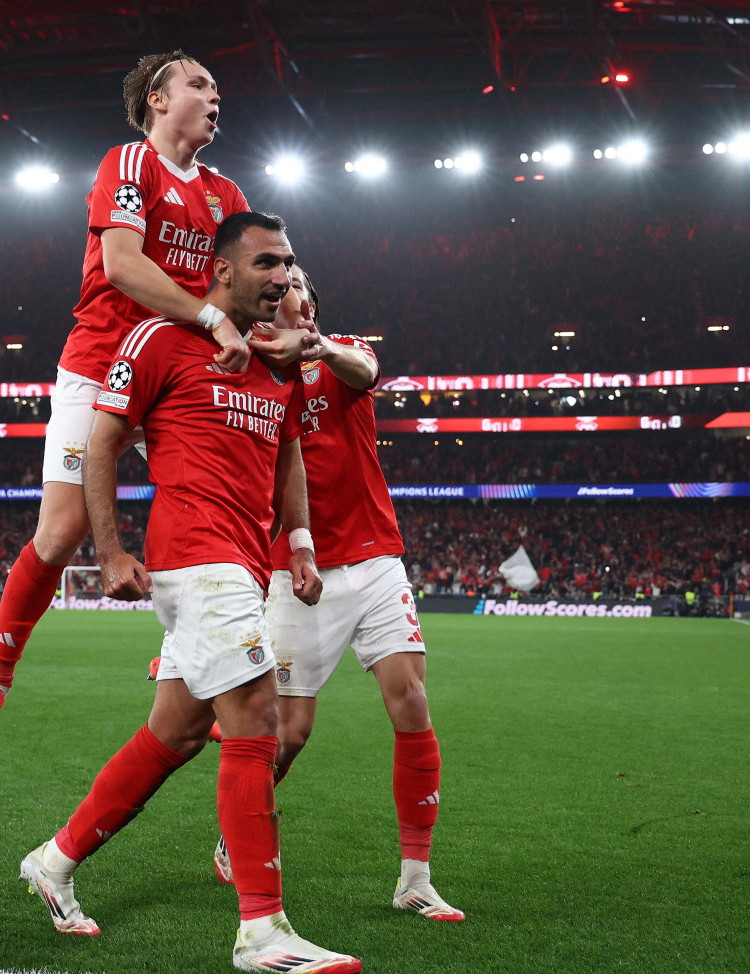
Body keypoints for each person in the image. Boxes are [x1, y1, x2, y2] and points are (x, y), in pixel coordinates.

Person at [18, 213, 361, 973]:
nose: (283, 276)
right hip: (194, 560)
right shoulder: (159, 339)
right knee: (256, 717)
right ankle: (262, 932)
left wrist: (300, 549)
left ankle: (56, 858)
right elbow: (102, 444)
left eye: (290, 263)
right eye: (268, 262)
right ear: (223, 272)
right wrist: (109, 551)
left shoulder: (277, 360)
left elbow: (289, 458)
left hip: (244, 563)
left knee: (172, 735)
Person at [0, 49, 256, 759]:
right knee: (59, 537)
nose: (215, 97)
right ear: (156, 98)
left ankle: (189, 659)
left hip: (180, 378)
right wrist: (211, 319)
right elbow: (122, 264)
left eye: (217, 88)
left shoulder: (226, 193)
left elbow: (240, 281)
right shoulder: (127, 164)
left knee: (225, 514)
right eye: (200, 85)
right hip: (100, 362)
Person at [209, 266, 464, 923]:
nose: (295, 295)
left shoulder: (345, 351)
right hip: (298, 571)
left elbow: (366, 373)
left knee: (411, 697)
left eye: (302, 289)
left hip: (376, 559)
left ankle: (416, 877)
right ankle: (235, 833)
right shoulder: (249, 373)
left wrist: (322, 347)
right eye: (284, 287)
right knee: (289, 734)